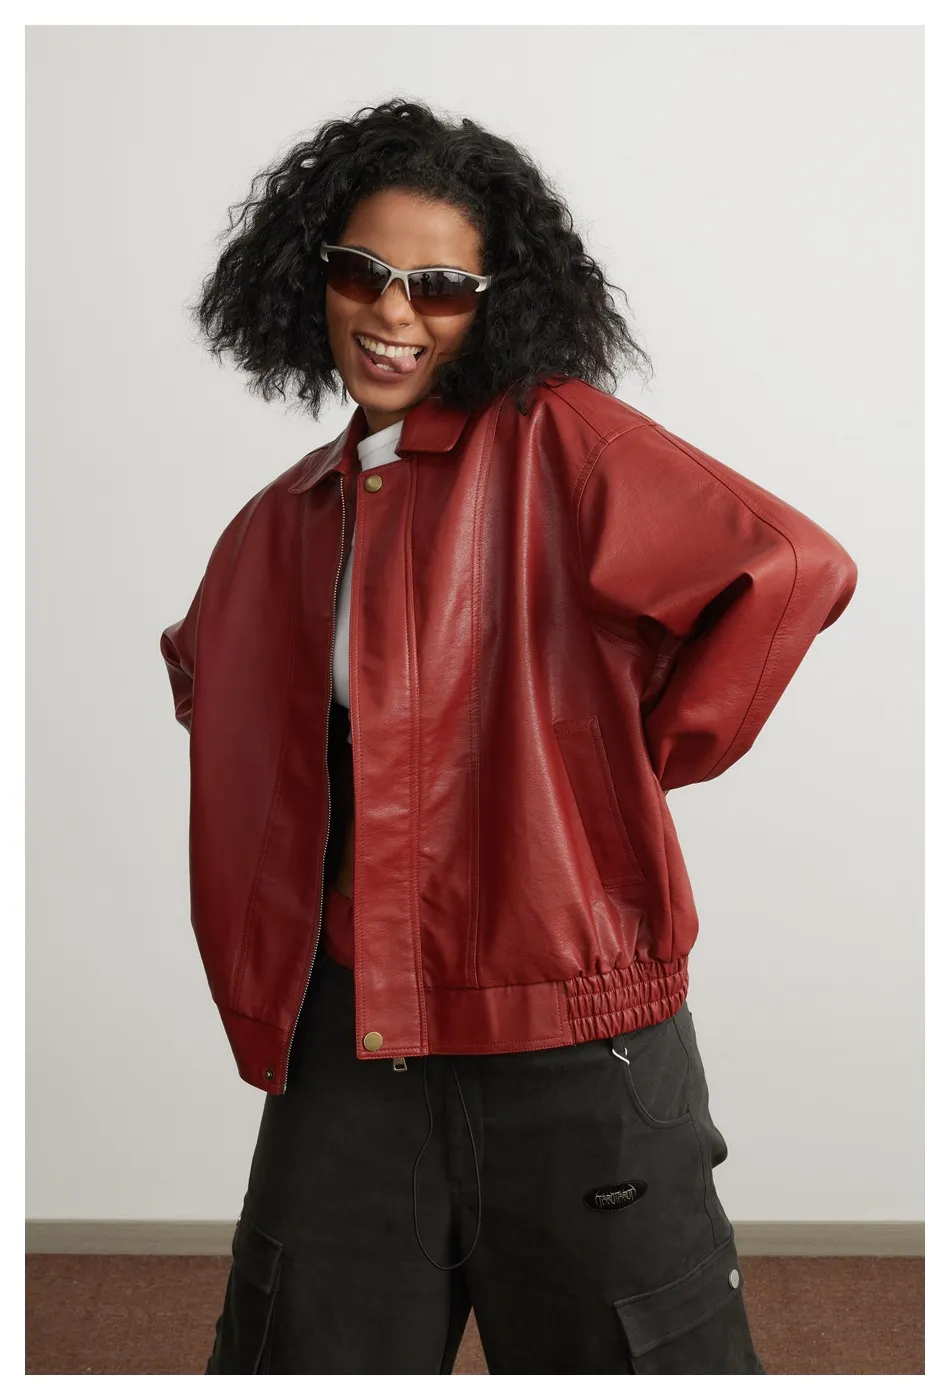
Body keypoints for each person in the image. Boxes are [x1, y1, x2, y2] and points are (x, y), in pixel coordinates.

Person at [160, 97, 858, 1375]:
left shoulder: (557, 442)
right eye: (360, 271)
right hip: (349, 1038)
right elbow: (216, 688)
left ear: (495, 305)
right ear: (310, 275)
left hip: (572, 1042)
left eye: (438, 285)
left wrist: (624, 762)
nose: (391, 312)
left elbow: (787, 568)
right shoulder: (280, 519)